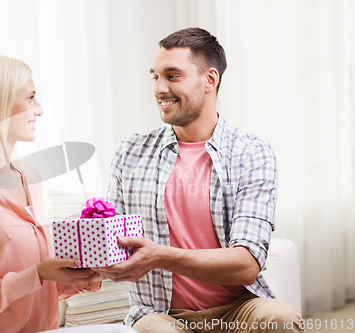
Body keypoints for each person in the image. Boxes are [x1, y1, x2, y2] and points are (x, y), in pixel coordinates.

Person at [95, 28, 305, 332]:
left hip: (238, 309)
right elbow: (109, 239)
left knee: (280, 318)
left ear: (210, 79)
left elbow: (246, 265)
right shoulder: (131, 151)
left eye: (172, 76)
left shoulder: (250, 152)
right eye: (155, 77)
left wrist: (160, 257)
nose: (159, 88)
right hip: (161, 312)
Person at [0, 54, 101, 333]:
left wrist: (79, 277)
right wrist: (36, 274)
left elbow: (34, 288)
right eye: (31, 97)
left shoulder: (30, 177)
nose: (40, 109)